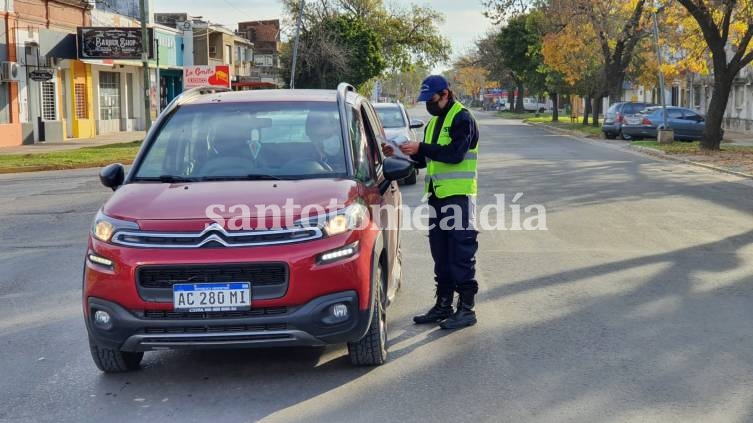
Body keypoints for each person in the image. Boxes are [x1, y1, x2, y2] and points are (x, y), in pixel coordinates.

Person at [383, 75, 480, 330]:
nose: (428, 104)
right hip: (438, 196)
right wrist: (399, 153)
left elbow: (456, 155)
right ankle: (444, 305)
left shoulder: (463, 118)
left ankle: (467, 309)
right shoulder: (433, 123)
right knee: (441, 253)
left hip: (458, 197)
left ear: (445, 94)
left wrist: (422, 147)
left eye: (432, 99)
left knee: (461, 253)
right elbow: (425, 162)